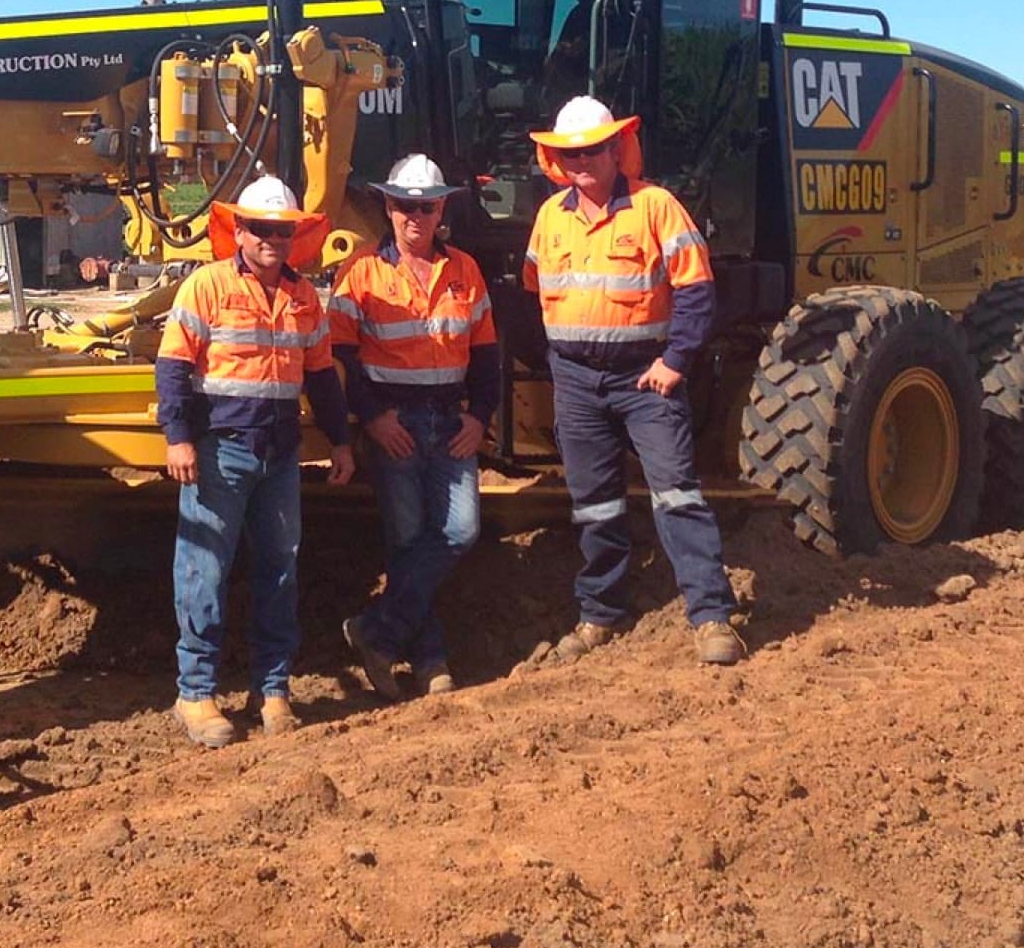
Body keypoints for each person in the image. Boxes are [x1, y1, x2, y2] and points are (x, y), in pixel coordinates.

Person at [523, 96, 745, 666]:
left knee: (676, 494)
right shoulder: (550, 216)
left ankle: (712, 616)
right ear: (556, 159)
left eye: (594, 150)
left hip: (645, 379)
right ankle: (600, 613)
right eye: (570, 153)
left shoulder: (656, 206)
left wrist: (675, 361)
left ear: (616, 149)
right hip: (575, 382)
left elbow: (696, 290)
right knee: (593, 504)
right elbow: (535, 289)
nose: (583, 162)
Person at [155, 175, 358, 747]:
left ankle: (273, 689)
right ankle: (194, 693)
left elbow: (320, 374)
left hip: (279, 454)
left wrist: (340, 441)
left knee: (279, 570)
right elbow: (172, 366)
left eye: (282, 230)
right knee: (204, 571)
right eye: (261, 228)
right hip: (220, 450)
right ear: (238, 231)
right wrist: (178, 438)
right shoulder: (206, 287)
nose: (272, 238)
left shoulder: (303, 297)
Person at [329, 155, 502, 701]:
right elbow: (342, 356)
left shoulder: (466, 272)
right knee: (407, 543)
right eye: (404, 205)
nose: (414, 216)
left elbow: (488, 358)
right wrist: (373, 418)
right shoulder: (360, 272)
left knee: (459, 531)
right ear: (388, 205)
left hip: (451, 421)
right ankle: (430, 661)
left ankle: (376, 630)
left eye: (424, 206)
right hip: (395, 422)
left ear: (440, 209)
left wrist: (480, 418)